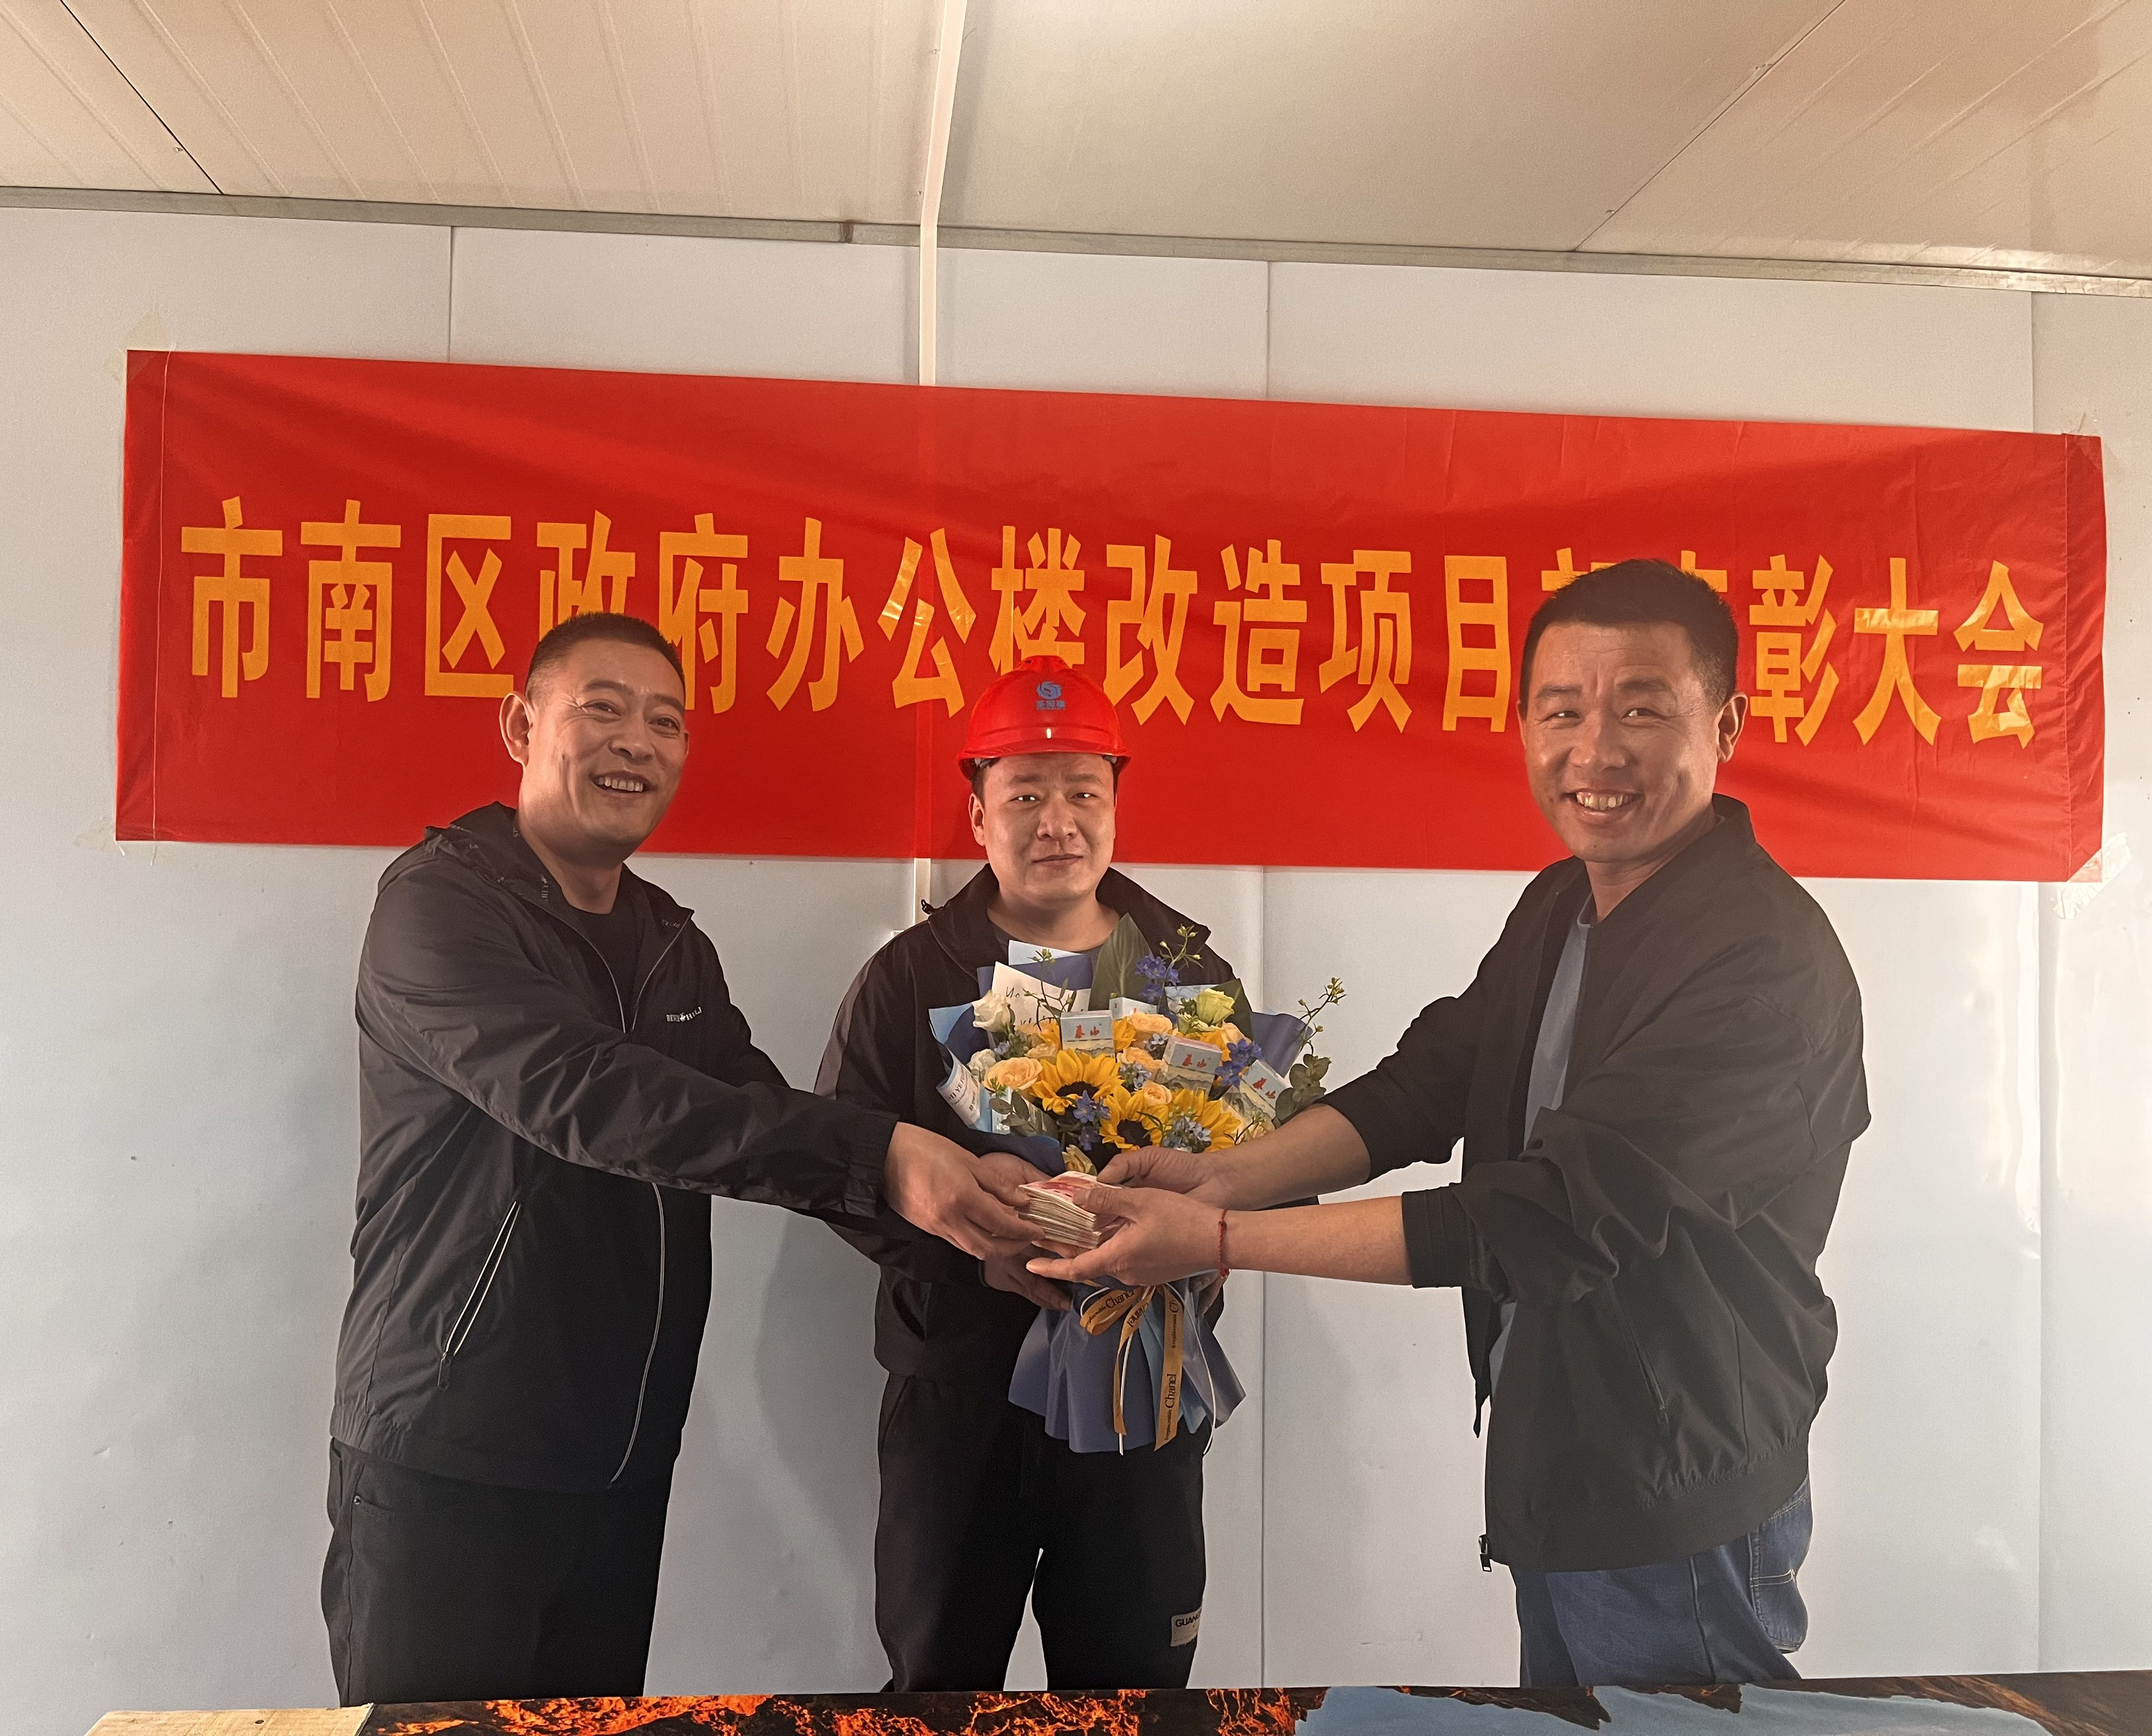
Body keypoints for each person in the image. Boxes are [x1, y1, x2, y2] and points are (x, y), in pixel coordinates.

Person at [1033, 561, 1868, 1690]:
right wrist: (1224, 1177)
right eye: (1561, 712)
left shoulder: (1761, 966)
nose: (1594, 750)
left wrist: (1216, 1240)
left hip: (1678, 1474)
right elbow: (1435, 1082)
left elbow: (1550, 1214)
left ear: (1725, 724)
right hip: (1560, 1440)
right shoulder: (1564, 901)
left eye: (1640, 709)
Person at [323, 612, 1038, 1706]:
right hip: (450, 1448)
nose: (636, 742)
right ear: (520, 726)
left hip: (621, 1453)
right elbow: (590, 1096)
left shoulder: (668, 941)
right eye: (601, 709)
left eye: (665, 722)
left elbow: (759, 1120)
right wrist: (887, 1152)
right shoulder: (439, 907)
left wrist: (971, 1230)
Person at [816, 658, 1230, 1690]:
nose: (1059, 824)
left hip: (1139, 1391)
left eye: (1084, 792)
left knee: (1134, 1695)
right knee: (938, 1687)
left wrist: (1205, 1238)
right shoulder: (907, 976)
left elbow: (1257, 1157)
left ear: (1116, 805)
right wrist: (971, 1251)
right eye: (1026, 796)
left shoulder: (1188, 973)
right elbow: (836, 1165)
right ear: (978, 816)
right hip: (962, 1398)